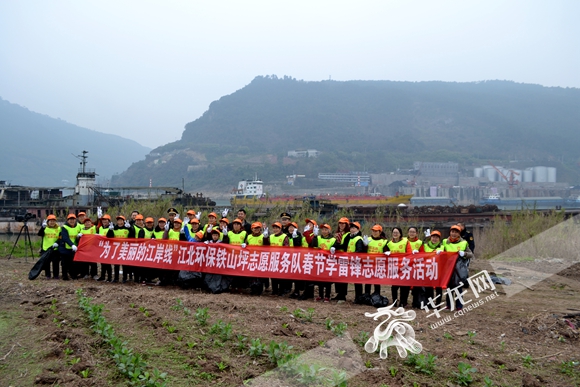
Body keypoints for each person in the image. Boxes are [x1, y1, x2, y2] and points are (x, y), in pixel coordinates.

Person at [443, 225, 474, 311]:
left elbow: (471, 254)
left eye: (456, 232)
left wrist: (464, 254)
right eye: (452, 231)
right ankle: (449, 305)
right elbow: (441, 251)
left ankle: (459, 306)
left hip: (458, 269)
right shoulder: (445, 242)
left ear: (459, 234)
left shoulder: (463, 243)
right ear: (450, 232)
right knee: (449, 288)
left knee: (458, 287)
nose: (454, 234)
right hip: (448, 268)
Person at [308, 223, 340, 302]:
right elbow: (313, 245)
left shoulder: (333, 239)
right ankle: (320, 295)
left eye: (326, 230)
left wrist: (334, 247)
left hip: (328, 262)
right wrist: (314, 236)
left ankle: (327, 295)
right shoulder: (318, 238)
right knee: (320, 279)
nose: (324, 231)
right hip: (319, 261)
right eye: (323, 230)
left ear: (329, 231)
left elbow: (336, 247)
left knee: (328, 280)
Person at [361, 224, 389, 299]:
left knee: (377, 281)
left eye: (376, 231)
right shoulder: (368, 239)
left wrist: (387, 253)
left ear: (380, 232)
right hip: (369, 263)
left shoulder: (384, 241)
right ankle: (367, 295)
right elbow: (363, 252)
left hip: (378, 264)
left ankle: (377, 295)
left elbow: (386, 251)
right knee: (368, 280)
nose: (374, 232)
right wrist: (365, 245)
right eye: (373, 231)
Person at [339, 221, 365, 304]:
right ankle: (342, 296)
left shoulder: (359, 239)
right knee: (344, 278)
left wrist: (352, 256)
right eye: (351, 228)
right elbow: (344, 246)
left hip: (355, 262)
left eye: (354, 228)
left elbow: (359, 250)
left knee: (357, 281)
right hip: (348, 261)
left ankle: (358, 297)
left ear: (358, 229)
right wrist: (334, 247)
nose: (352, 229)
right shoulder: (350, 237)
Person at [387, 227, 409, 307]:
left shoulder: (406, 242)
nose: (395, 234)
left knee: (403, 286)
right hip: (394, 268)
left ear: (400, 234)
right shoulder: (389, 243)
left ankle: (402, 302)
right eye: (394, 232)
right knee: (394, 287)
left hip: (404, 267)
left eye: (397, 232)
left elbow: (409, 253)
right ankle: (394, 302)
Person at [267, 222, 290, 296]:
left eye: (277, 228)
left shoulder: (284, 236)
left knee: (281, 275)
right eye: (274, 228)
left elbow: (286, 247)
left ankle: (281, 290)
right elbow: (266, 246)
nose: (275, 229)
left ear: (280, 229)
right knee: (273, 275)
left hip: (281, 258)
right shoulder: (271, 236)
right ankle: (274, 290)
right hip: (272, 258)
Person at [421, 230, 444, 305]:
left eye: (436, 237)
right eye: (433, 237)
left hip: (438, 270)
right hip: (428, 269)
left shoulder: (442, 247)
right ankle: (429, 303)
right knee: (428, 287)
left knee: (438, 287)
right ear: (430, 238)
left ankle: (438, 303)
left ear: (439, 239)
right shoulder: (425, 246)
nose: (434, 239)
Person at [331, 217, 351, 302]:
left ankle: (343, 295)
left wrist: (335, 246)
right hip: (337, 257)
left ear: (346, 225)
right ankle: (338, 293)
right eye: (340, 223)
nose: (341, 225)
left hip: (344, 257)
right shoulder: (338, 233)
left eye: (343, 224)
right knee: (337, 275)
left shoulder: (348, 234)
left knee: (343, 275)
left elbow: (344, 245)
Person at [38, 214, 61, 280]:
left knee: (56, 263)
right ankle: (48, 275)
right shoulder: (45, 228)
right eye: (50, 221)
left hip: (55, 249)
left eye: (53, 221)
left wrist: (57, 242)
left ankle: (56, 275)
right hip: (46, 249)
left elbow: (60, 237)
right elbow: (40, 234)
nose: (52, 222)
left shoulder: (59, 229)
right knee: (47, 263)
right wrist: (42, 227)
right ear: (48, 222)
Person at [406, 226, 424, 309]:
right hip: (406, 265)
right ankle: (404, 301)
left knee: (416, 285)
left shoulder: (420, 242)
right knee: (405, 285)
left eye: (413, 232)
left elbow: (423, 254)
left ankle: (415, 302)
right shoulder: (404, 241)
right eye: (410, 231)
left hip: (416, 266)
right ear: (408, 233)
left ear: (416, 233)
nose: (412, 233)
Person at [59, 214, 80, 280]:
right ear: (67, 220)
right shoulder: (64, 227)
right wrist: (72, 245)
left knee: (73, 263)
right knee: (65, 263)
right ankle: (65, 276)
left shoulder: (78, 226)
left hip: (74, 249)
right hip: (65, 248)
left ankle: (73, 275)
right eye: (70, 219)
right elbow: (65, 238)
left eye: (73, 219)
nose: (72, 221)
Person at [111, 215, 131, 283]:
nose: (120, 222)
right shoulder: (114, 229)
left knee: (124, 265)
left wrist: (130, 228)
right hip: (116, 249)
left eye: (121, 220)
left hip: (125, 248)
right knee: (116, 265)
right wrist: (110, 230)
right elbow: (109, 237)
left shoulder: (126, 229)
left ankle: (124, 278)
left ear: (123, 221)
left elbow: (132, 236)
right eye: (118, 220)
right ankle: (116, 278)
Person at [96, 214, 115, 282]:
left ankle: (109, 277)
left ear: (109, 221)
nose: (104, 221)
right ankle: (102, 276)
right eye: (103, 220)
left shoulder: (112, 228)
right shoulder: (100, 228)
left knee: (108, 263)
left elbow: (111, 237)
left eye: (106, 220)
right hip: (102, 247)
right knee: (102, 263)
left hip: (109, 247)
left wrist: (110, 230)